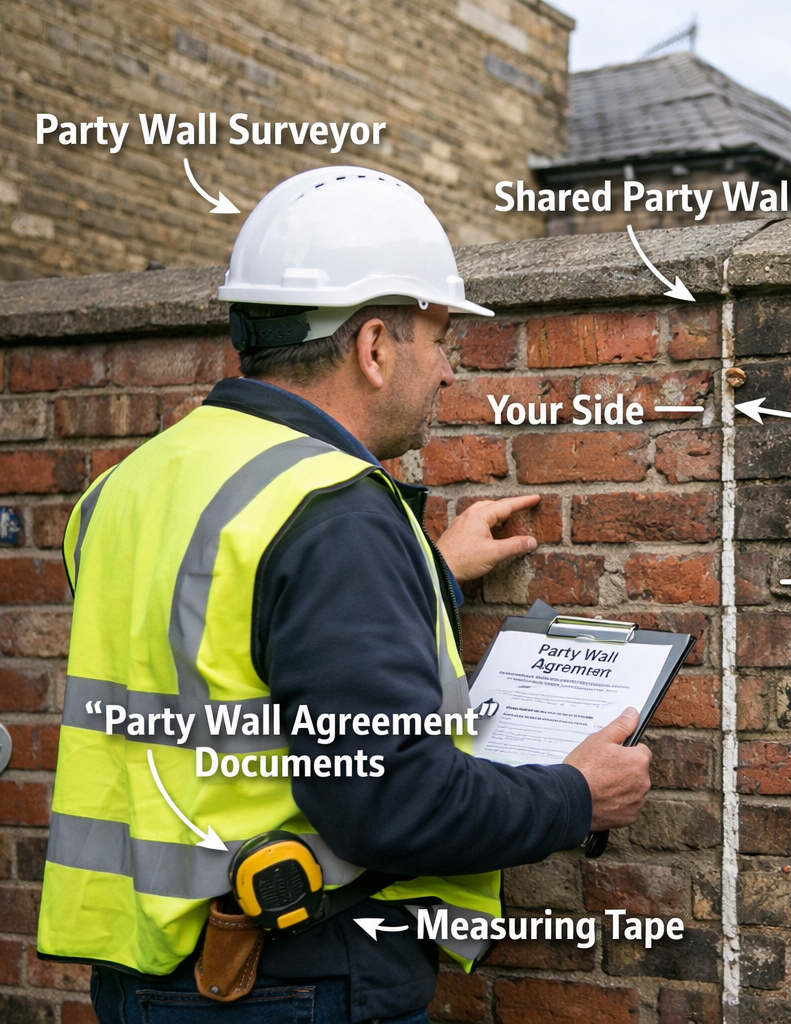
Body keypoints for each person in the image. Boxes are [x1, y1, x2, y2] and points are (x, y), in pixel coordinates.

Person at [38, 166, 653, 1024]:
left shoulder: (131, 486)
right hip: (295, 979)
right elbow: (394, 803)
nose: (446, 371)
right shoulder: (332, 512)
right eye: (439, 340)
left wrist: (422, 574)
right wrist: (578, 795)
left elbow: (218, 649)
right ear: (373, 346)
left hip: (142, 976)